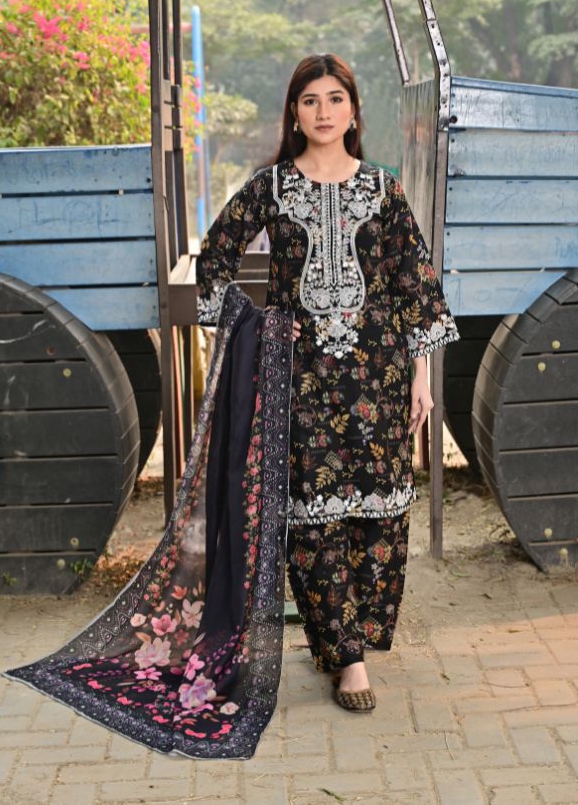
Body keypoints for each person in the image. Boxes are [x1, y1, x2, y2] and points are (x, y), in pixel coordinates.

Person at [196, 52, 461, 712]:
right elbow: (216, 254)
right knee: (311, 520)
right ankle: (346, 660)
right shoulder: (273, 187)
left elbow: (414, 285)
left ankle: (356, 641)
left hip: (379, 379)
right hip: (303, 380)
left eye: (334, 98)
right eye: (310, 100)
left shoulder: (384, 189)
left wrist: (421, 375)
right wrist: (253, 329)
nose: (322, 111)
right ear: (294, 113)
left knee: (377, 515)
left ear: (353, 110)